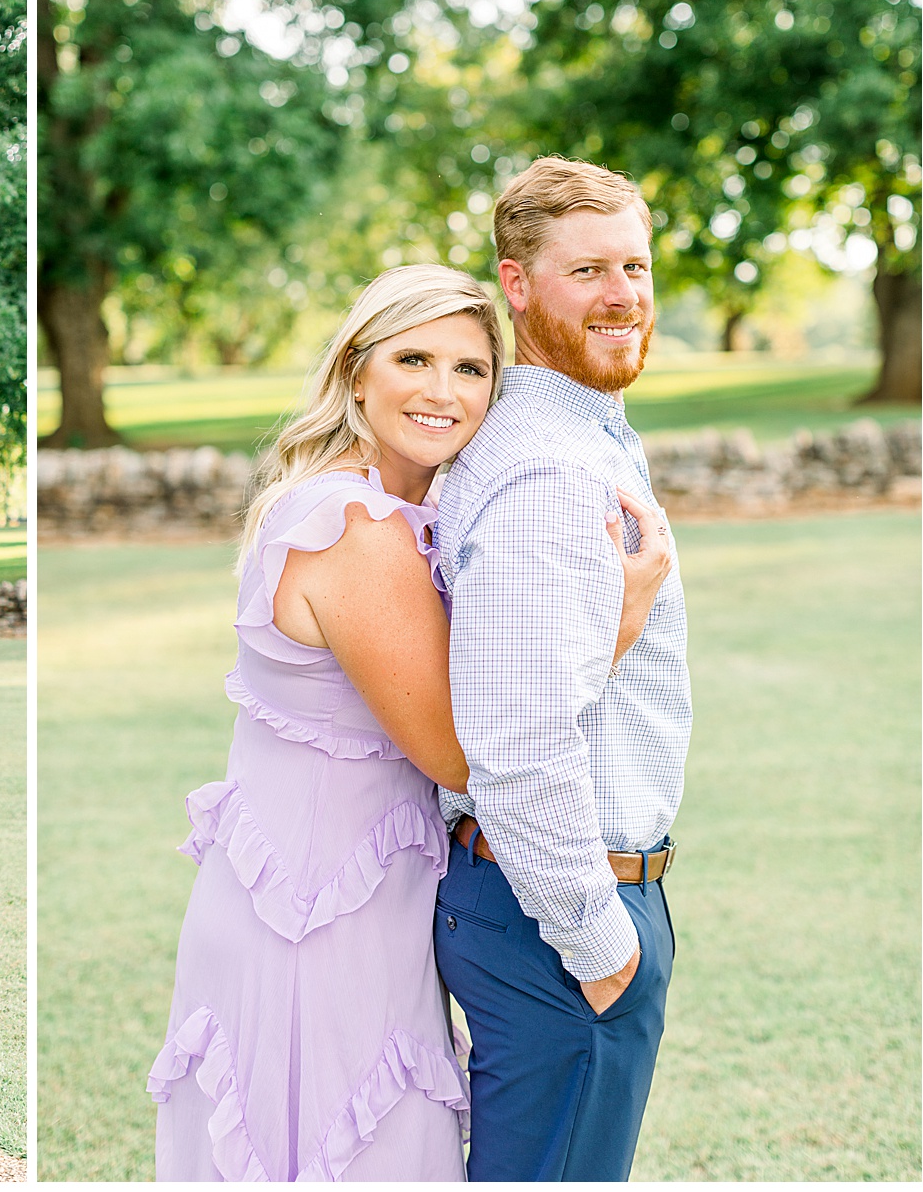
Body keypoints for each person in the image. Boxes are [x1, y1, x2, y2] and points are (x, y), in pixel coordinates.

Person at [147, 264, 672, 1180]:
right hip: (317, 917)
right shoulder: (354, 528)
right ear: (357, 373)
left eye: (471, 370)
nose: (442, 391)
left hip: (370, 892)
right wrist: (621, 615)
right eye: (414, 358)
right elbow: (463, 756)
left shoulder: (403, 508)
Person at [434, 156, 690, 1180]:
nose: (624, 293)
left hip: (542, 903)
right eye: (588, 270)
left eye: (635, 263)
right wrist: (602, 950)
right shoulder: (550, 471)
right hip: (562, 920)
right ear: (517, 284)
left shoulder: (575, 437)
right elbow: (523, 744)